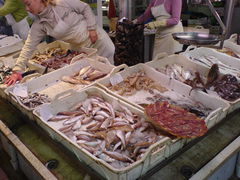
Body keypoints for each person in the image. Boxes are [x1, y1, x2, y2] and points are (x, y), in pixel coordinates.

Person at [4, 0, 115, 86]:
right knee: (90, 78)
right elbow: (28, 46)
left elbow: (85, 8)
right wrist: (17, 70)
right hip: (80, 50)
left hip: (96, 39)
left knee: (108, 72)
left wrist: (91, 29)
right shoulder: (39, 24)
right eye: (24, 5)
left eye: (28, 4)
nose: (27, 9)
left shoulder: (61, 2)